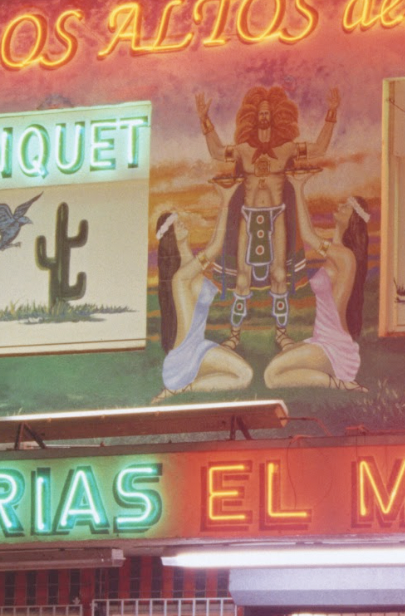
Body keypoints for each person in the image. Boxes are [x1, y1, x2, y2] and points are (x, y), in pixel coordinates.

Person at [195, 85, 340, 353]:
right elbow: (216, 152)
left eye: (267, 112)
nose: (263, 116)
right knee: (242, 278)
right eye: (259, 113)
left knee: (279, 274)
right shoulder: (243, 150)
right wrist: (205, 120)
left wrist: (331, 112)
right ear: (252, 117)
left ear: (275, 116)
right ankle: (234, 336)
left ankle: (282, 335)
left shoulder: (286, 149)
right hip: (248, 219)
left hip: (277, 219)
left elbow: (319, 148)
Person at [264, 186, 369, 390]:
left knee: (271, 375)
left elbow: (308, 236)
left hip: (333, 346)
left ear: (353, 219)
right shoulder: (336, 253)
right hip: (322, 339)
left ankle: (340, 384)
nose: (340, 205)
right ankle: (324, 373)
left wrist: (298, 187)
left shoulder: (345, 256)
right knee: (281, 362)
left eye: (347, 206)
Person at [151, 210, 253, 404]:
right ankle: (183, 388)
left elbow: (212, 244)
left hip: (197, 349)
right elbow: (215, 247)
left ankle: (184, 387)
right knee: (245, 375)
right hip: (184, 359)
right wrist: (226, 198)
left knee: (244, 375)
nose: (181, 224)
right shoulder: (180, 277)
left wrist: (225, 201)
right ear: (171, 237)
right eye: (176, 224)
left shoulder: (189, 265)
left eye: (179, 222)